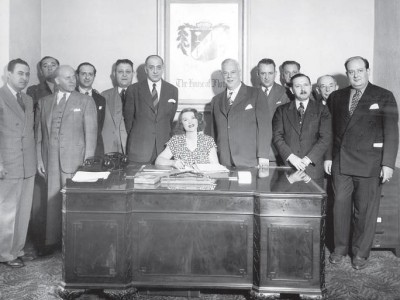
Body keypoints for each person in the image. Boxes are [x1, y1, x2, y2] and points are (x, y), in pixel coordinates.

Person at [325, 56, 399, 270]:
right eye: (351, 71)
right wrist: (329, 157)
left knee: (364, 211)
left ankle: (360, 253)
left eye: (359, 70)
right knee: (339, 207)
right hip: (341, 163)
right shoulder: (336, 97)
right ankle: (339, 249)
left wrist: (387, 164)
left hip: (370, 163)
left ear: (368, 70)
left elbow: (392, 132)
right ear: (346, 73)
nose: (355, 75)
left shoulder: (383, 96)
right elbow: (329, 131)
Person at [36, 65, 97, 253]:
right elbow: (39, 134)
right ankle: (52, 241)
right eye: (68, 78)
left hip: (75, 161)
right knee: (51, 203)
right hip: (50, 161)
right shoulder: (44, 102)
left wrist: (87, 163)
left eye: (73, 77)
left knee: (73, 203)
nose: (73, 81)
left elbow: (91, 134)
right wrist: (39, 159)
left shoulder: (86, 101)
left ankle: (75, 244)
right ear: (57, 81)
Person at [0, 59, 36, 268]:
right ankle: (5, 253)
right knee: (7, 211)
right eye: (20, 73)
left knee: (23, 210)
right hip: (8, 163)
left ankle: (17, 250)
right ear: (8, 74)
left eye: (27, 74)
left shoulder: (28, 99)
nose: (24, 78)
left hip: (27, 163)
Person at [272, 73, 331, 187]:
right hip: (288, 169)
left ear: (310, 87)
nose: (303, 89)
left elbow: (325, 138)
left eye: (305, 85)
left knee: (314, 204)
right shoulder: (281, 110)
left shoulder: (322, 110)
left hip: (313, 170)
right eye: (298, 86)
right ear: (292, 90)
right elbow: (277, 136)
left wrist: (307, 160)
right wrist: (291, 157)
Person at [210, 58, 270, 168]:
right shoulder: (216, 100)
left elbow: (265, 127)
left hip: (250, 160)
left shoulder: (256, 94)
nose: (229, 76)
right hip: (224, 160)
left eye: (233, 72)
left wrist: (263, 156)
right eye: (225, 73)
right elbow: (214, 133)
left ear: (239, 72)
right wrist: (214, 159)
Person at [124, 55, 178, 164]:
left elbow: (170, 118)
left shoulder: (172, 90)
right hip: (139, 148)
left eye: (158, 67)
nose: (155, 71)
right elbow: (128, 120)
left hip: (163, 149)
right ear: (146, 69)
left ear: (163, 68)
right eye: (151, 67)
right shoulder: (133, 89)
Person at [257, 58, 290, 163]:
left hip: (278, 151)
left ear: (275, 73)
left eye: (270, 73)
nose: (266, 77)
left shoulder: (286, 93)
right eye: (263, 73)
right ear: (258, 74)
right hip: (255, 150)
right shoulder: (250, 94)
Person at [101, 59, 132, 155]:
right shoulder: (104, 96)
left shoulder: (141, 94)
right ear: (114, 74)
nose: (124, 75)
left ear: (132, 74)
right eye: (120, 72)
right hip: (110, 149)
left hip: (134, 148)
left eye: (128, 72)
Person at [76, 62, 106, 156]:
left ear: (94, 76)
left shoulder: (100, 99)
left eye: (90, 74)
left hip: (96, 148)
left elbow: (100, 124)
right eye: (83, 74)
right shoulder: (70, 96)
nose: (87, 77)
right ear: (77, 76)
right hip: (75, 148)